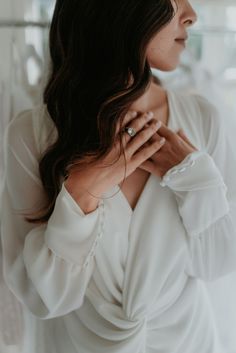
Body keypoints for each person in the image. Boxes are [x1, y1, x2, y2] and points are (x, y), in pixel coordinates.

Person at [1, 0, 236, 352]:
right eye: (174, 1)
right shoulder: (32, 135)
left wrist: (195, 180)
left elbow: (216, 264)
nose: (192, 14)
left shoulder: (203, 120)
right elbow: (42, 299)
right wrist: (82, 193)